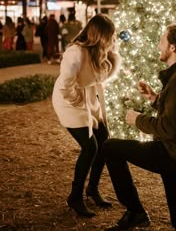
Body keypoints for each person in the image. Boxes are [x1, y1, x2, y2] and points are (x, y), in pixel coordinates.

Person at [103, 23, 176, 231]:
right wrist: (154, 98)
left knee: (110, 147)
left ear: (172, 47)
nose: (158, 46)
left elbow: (170, 129)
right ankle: (136, 213)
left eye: (162, 42)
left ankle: (135, 213)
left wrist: (138, 119)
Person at [52, 13, 121, 218]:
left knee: (104, 142)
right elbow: (65, 87)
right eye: (110, 36)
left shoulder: (100, 52)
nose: (113, 39)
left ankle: (92, 188)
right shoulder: (76, 53)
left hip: (88, 98)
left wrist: (112, 55)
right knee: (90, 148)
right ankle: (75, 196)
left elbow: (99, 79)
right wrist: (78, 101)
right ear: (99, 35)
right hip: (69, 101)